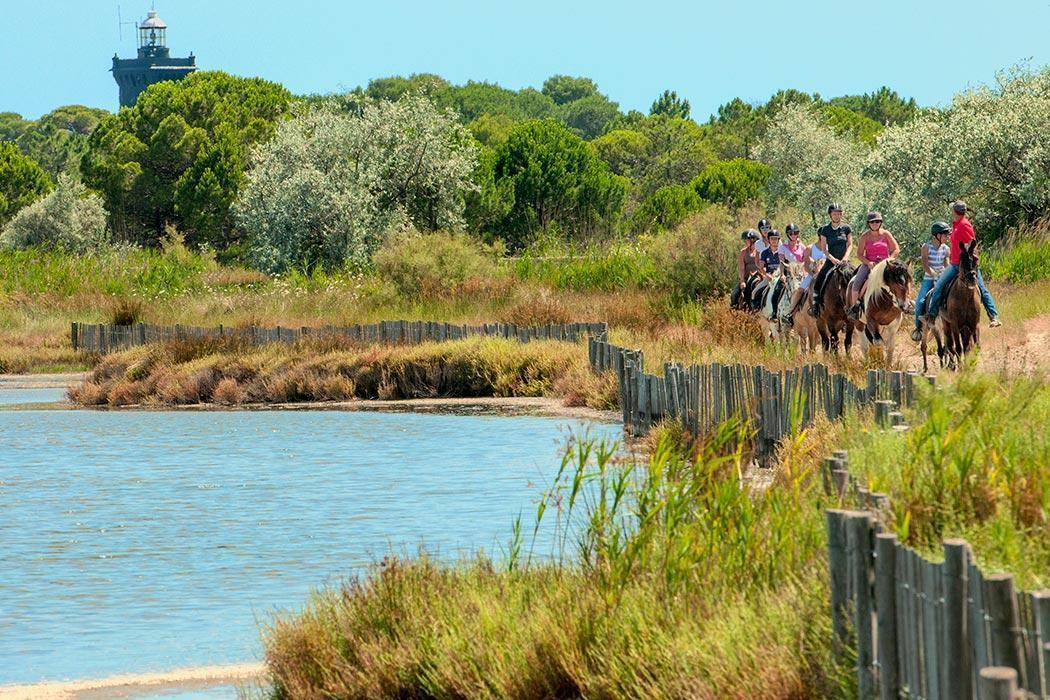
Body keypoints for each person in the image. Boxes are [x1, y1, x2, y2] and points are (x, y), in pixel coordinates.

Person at [924, 200, 1001, 327]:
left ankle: (993, 316)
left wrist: (971, 262)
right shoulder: (956, 224)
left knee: (980, 288)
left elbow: (972, 244)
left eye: (952, 209)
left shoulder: (965, 225)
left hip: (961, 264)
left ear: (954, 211)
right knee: (939, 287)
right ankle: (932, 316)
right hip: (954, 262)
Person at [846, 211, 900, 320]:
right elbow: (859, 254)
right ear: (868, 223)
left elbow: (896, 249)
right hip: (869, 264)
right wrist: (868, 263)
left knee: (901, 279)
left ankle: (905, 303)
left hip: (885, 264)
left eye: (877, 221)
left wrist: (889, 260)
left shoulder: (886, 234)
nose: (875, 224)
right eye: (872, 222)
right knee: (856, 284)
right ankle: (855, 308)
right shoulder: (864, 236)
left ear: (881, 223)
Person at [808, 203, 853, 316]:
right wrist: (832, 260)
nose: (837, 216)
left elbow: (850, 244)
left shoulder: (846, 228)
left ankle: (857, 305)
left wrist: (846, 257)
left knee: (854, 278)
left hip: (845, 261)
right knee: (819, 279)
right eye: (834, 214)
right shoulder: (825, 230)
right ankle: (815, 305)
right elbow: (824, 249)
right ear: (830, 215)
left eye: (839, 213)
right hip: (831, 260)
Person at [910, 222, 951, 342]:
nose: (947, 237)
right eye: (945, 235)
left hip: (941, 277)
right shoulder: (926, 247)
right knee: (920, 301)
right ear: (937, 235)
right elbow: (925, 265)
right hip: (929, 278)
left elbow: (946, 264)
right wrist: (933, 273)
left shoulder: (946, 249)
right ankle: (918, 328)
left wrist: (945, 274)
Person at [781, 223, 815, 324]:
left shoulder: (802, 247)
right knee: (778, 289)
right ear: (788, 234)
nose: (793, 235)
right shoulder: (783, 247)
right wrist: (782, 274)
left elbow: (806, 261)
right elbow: (782, 263)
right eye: (791, 233)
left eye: (795, 233)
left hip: (801, 273)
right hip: (788, 273)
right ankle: (786, 313)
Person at [731, 229, 761, 308]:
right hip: (747, 278)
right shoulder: (743, 252)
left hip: (759, 277)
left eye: (746, 240)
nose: (745, 242)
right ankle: (734, 312)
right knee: (734, 295)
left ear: (753, 240)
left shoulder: (761, 251)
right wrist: (742, 281)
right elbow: (741, 268)